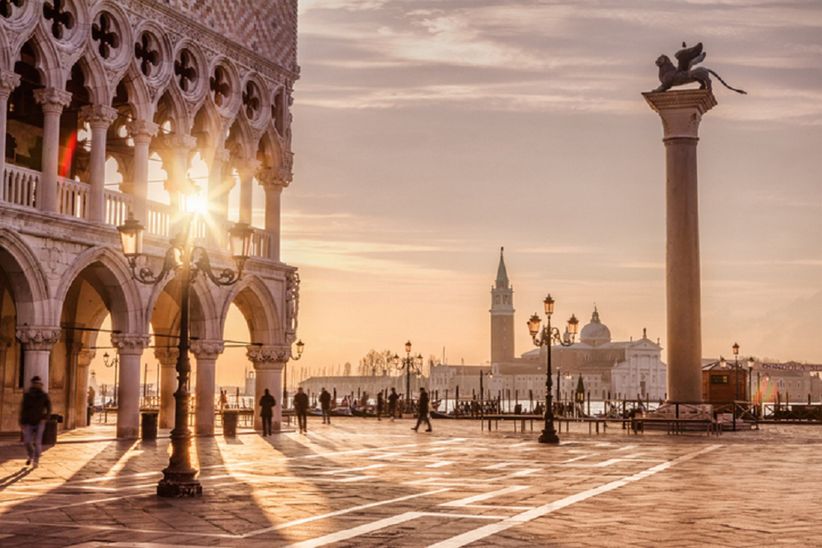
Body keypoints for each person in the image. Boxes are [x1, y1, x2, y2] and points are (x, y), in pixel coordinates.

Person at [20, 376, 51, 468]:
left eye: (38, 383)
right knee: (27, 441)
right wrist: (22, 421)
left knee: (37, 442)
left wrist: (45, 417)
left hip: (40, 421)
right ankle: (30, 454)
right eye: (35, 383)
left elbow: (49, 408)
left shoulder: (44, 395)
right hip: (28, 421)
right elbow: (23, 409)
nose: (37, 385)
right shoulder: (27, 395)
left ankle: (36, 460)